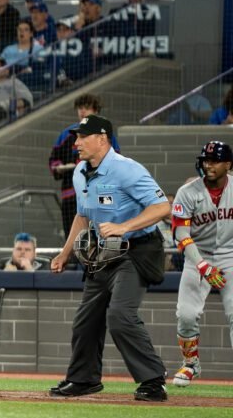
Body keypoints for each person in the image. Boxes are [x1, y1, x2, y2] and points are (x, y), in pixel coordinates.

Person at [49, 115, 169, 402]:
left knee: (120, 315)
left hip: (137, 249)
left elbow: (163, 206)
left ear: (102, 138)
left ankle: (153, 381)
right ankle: (84, 379)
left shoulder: (127, 169)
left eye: (82, 137)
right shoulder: (79, 172)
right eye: (76, 137)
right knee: (85, 320)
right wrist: (64, 254)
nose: (76, 143)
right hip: (103, 254)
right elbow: (82, 215)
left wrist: (124, 227)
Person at [168, 141, 233, 387]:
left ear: (228, 164)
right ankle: (191, 364)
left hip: (231, 254)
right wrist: (203, 265)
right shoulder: (187, 192)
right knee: (186, 314)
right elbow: (181, 234)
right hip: (198, 255)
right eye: (206, 160)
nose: (208, 165)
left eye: (214, 161)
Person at [49, 94, 119, 233]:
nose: (82, 111)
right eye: (80, 108)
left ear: (96, 111)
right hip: (71, 195)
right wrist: (60, 168)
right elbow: (53, 160)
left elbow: (116, 163)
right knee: (73, 238)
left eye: (86, 108)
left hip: (100, 193)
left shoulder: (106, 135)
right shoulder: (67, 134)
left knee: (101, 235)